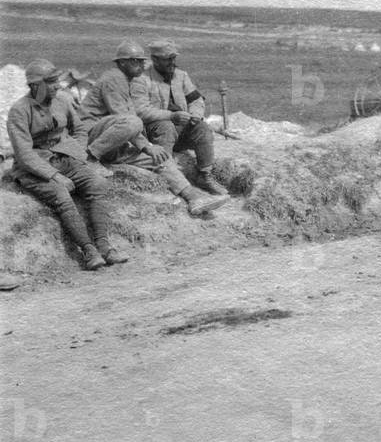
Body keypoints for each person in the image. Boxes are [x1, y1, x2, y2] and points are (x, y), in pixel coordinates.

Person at [78, 40, 228, 216]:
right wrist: (147, 145)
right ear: (121, 62)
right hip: (93, 135)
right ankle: (91, 158)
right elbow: (128, 118)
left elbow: (195, 99)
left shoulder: (136, 79)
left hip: (115, 140)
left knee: (161, 157)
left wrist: (150, 148)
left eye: (141, 61)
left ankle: (193, 197)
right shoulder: (114, 79)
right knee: (138, 125)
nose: (140, 65)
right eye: (134, 60)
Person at [7, 59, 127, 270]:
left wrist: (78, 152)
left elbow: (79, 129)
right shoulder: (20, 111)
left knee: (97, 184)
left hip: (66, 159)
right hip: (34, 167)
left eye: (57, 81)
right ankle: (89, 251)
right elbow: (24, 153)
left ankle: (105, 246)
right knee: (61, 195)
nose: (58, 86)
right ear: (35, 85)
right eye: (51, 82)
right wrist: (54, 175)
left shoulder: (62, 100)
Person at [131, 40, 228, 195]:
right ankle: (168, 177)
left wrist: (196, 114)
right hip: (153, 134)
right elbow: (140, 111)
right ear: (155, 59)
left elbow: (196, 99)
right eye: (167, 59)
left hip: (179, 132)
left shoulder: (181, 76)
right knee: (166, 125)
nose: (172, 62)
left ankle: (204, 175)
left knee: (202, 128)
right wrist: (171, 115)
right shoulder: (141, 79)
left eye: (173, 58)